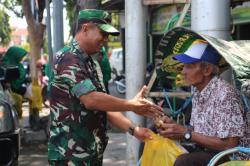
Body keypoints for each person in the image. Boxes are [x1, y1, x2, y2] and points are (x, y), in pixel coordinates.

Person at [48, 9, 163, 166]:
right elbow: (91, 100)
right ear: (85, 28)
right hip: (69, 155)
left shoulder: (91, 62)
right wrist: (131, 105)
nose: (106, 39)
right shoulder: (68, 58)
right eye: (103, 33)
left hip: (90, 152)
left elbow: (104, 107)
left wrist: (134, 130)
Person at [155, 41, 250, 166]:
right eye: (183, 66)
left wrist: (185, 133)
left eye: (189, 66)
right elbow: (197, 131)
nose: (183, 71)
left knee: (184, 162)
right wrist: (174, 128)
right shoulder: (198, 93)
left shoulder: (225, 94)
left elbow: (229, 144)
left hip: (233, 157)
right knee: (156, 144)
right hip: (209, 151)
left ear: (207, 70)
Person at [2, 46, 28, 118]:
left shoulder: (18, 64)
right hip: (5, 90)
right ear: (15, 55)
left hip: (14, 88)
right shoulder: (5, 63)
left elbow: (21, 75)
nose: (22, 58)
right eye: (21, 56)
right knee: (17, 100)